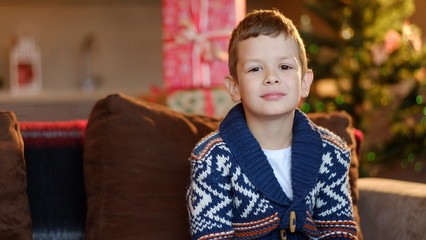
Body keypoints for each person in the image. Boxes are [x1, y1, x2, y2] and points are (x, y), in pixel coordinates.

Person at [186, 9, 358, 240]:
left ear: (305, 83)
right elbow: (211, 236)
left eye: (284, 67)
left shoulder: (331, 151)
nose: (271, 77)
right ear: (234, 87)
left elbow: (339, 231)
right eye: (255, 69)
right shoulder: (212, 158)